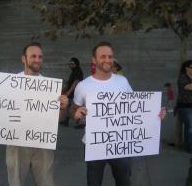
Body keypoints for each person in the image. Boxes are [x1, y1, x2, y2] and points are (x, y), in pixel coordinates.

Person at [0, 42, 69, 186]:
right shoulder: (9, 83)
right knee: (15, 183)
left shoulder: (50, 87)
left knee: (46, 182)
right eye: (33, 56)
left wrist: (63, 108)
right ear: (24, 59)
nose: (37, 59)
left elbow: (60, 119)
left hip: (43, 144)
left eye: (40, 57)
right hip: (16, 143)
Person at [70, 41, 166, 186]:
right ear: (94, 60)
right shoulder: (83, 85)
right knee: (94, 182)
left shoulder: (122, 81)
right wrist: (76, 113)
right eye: (103, 56)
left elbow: (135, 109)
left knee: (124, 181)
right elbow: (73, 108)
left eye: (110, 56)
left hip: (121, 144)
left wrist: (154, 115)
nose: (108, 60)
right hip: (93, 144)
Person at [61, 57, 83, 127]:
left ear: (76, 64)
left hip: (75, 93)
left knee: (74, 108)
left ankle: (81, 122)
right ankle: (66, 121)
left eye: (72, 64)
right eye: (70, 64)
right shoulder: (74, 71)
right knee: (68, 106)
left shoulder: (77, 71)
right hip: (73, 93)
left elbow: (76, 82)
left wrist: (69, 91)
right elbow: (72, 82)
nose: (71, 65)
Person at [177, 60, 192, 154]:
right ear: (186, 68)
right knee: (190, 127)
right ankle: (189, 147)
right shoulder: (182, 77)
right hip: (186, 107)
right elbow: (189, 87)